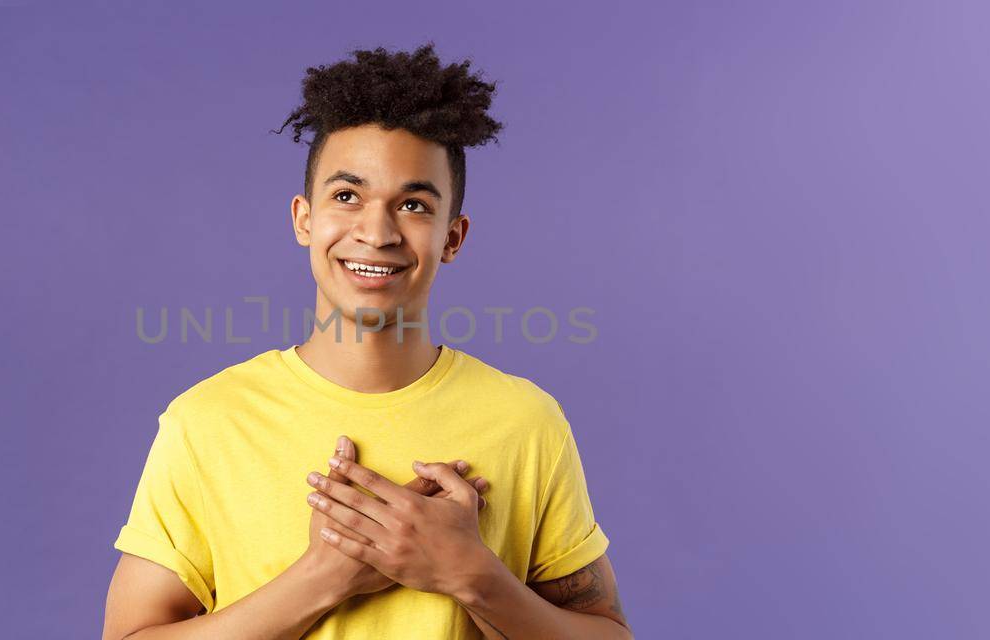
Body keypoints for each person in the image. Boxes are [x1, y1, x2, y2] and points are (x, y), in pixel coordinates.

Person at [102, 43, 632, 639]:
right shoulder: (207, 422)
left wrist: (472, 575)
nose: (376, 232)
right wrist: (325, 576)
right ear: (304, 218)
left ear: (452, 237)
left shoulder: (526, 421)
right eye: (347, 196)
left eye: (412, 204)